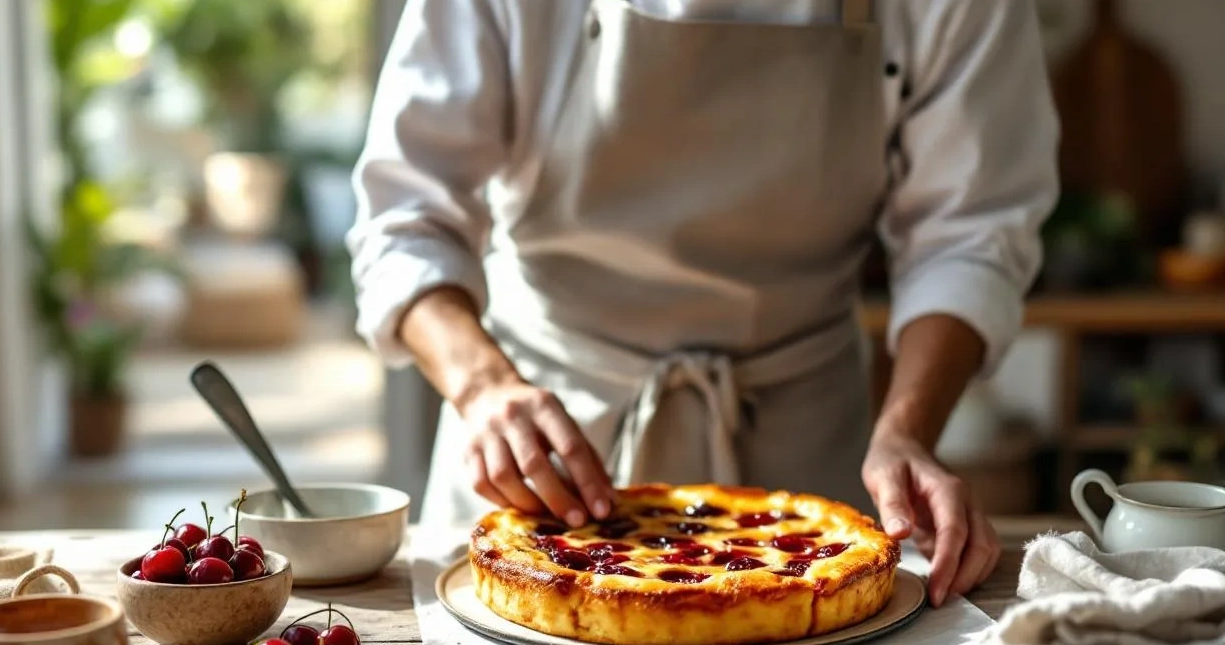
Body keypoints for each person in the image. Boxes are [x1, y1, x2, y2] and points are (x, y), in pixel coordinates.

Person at [347, 0, 1059, 607]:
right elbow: (405, 218)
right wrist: (484, 387)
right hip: (541, 456)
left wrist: (908, 430)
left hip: (806, 454)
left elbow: (969, 236)